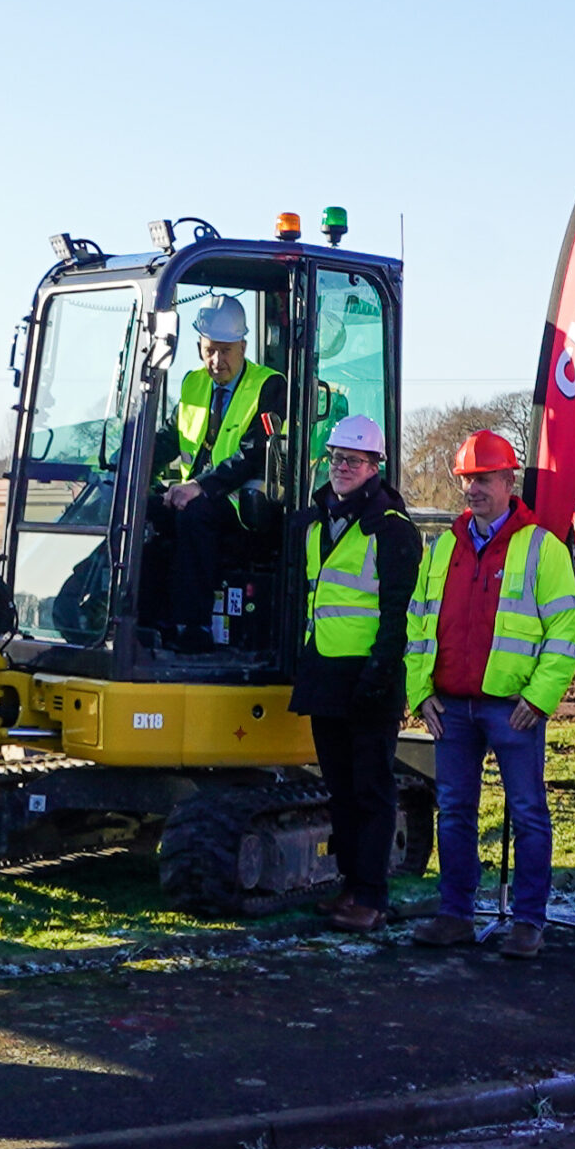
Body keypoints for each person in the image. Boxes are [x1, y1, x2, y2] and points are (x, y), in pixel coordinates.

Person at [404, 430, 575, 958]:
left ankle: (529, 922)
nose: (473, 489)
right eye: (466, 480)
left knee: (528, 813)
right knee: (454, 811)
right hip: (451, 708)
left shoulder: (541, 548)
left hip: (514, 710)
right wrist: (420, 694)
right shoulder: (443, 549)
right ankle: (455, 914)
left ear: (510, 481)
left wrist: (539, 699)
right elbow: (417, 625)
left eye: (483, 479)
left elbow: (564, 634)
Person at [288, 415, 421, 935]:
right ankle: (350, 886)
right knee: (340, 791)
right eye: (336, 458)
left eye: (354, 460)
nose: (342, 468)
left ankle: (372, 895)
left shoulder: (392, 528)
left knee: (371, 790)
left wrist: (379, 676)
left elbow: (398, 614)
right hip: (325, 674)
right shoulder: (318, 520)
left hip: (369, 680)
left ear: (375, 467)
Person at [156, 296, 286, 650]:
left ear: (243, 346)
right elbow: (172, 436)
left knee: (195, 516)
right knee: (144, 511)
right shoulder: (193, 384)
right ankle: (144, 619)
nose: (217, 361)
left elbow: (254, 452)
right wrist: (130, 466)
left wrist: (200, 486)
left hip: (240, 501)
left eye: (226, 351)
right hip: (195, 490)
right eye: (209, 350)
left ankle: (193, 628)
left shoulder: (269, 386)